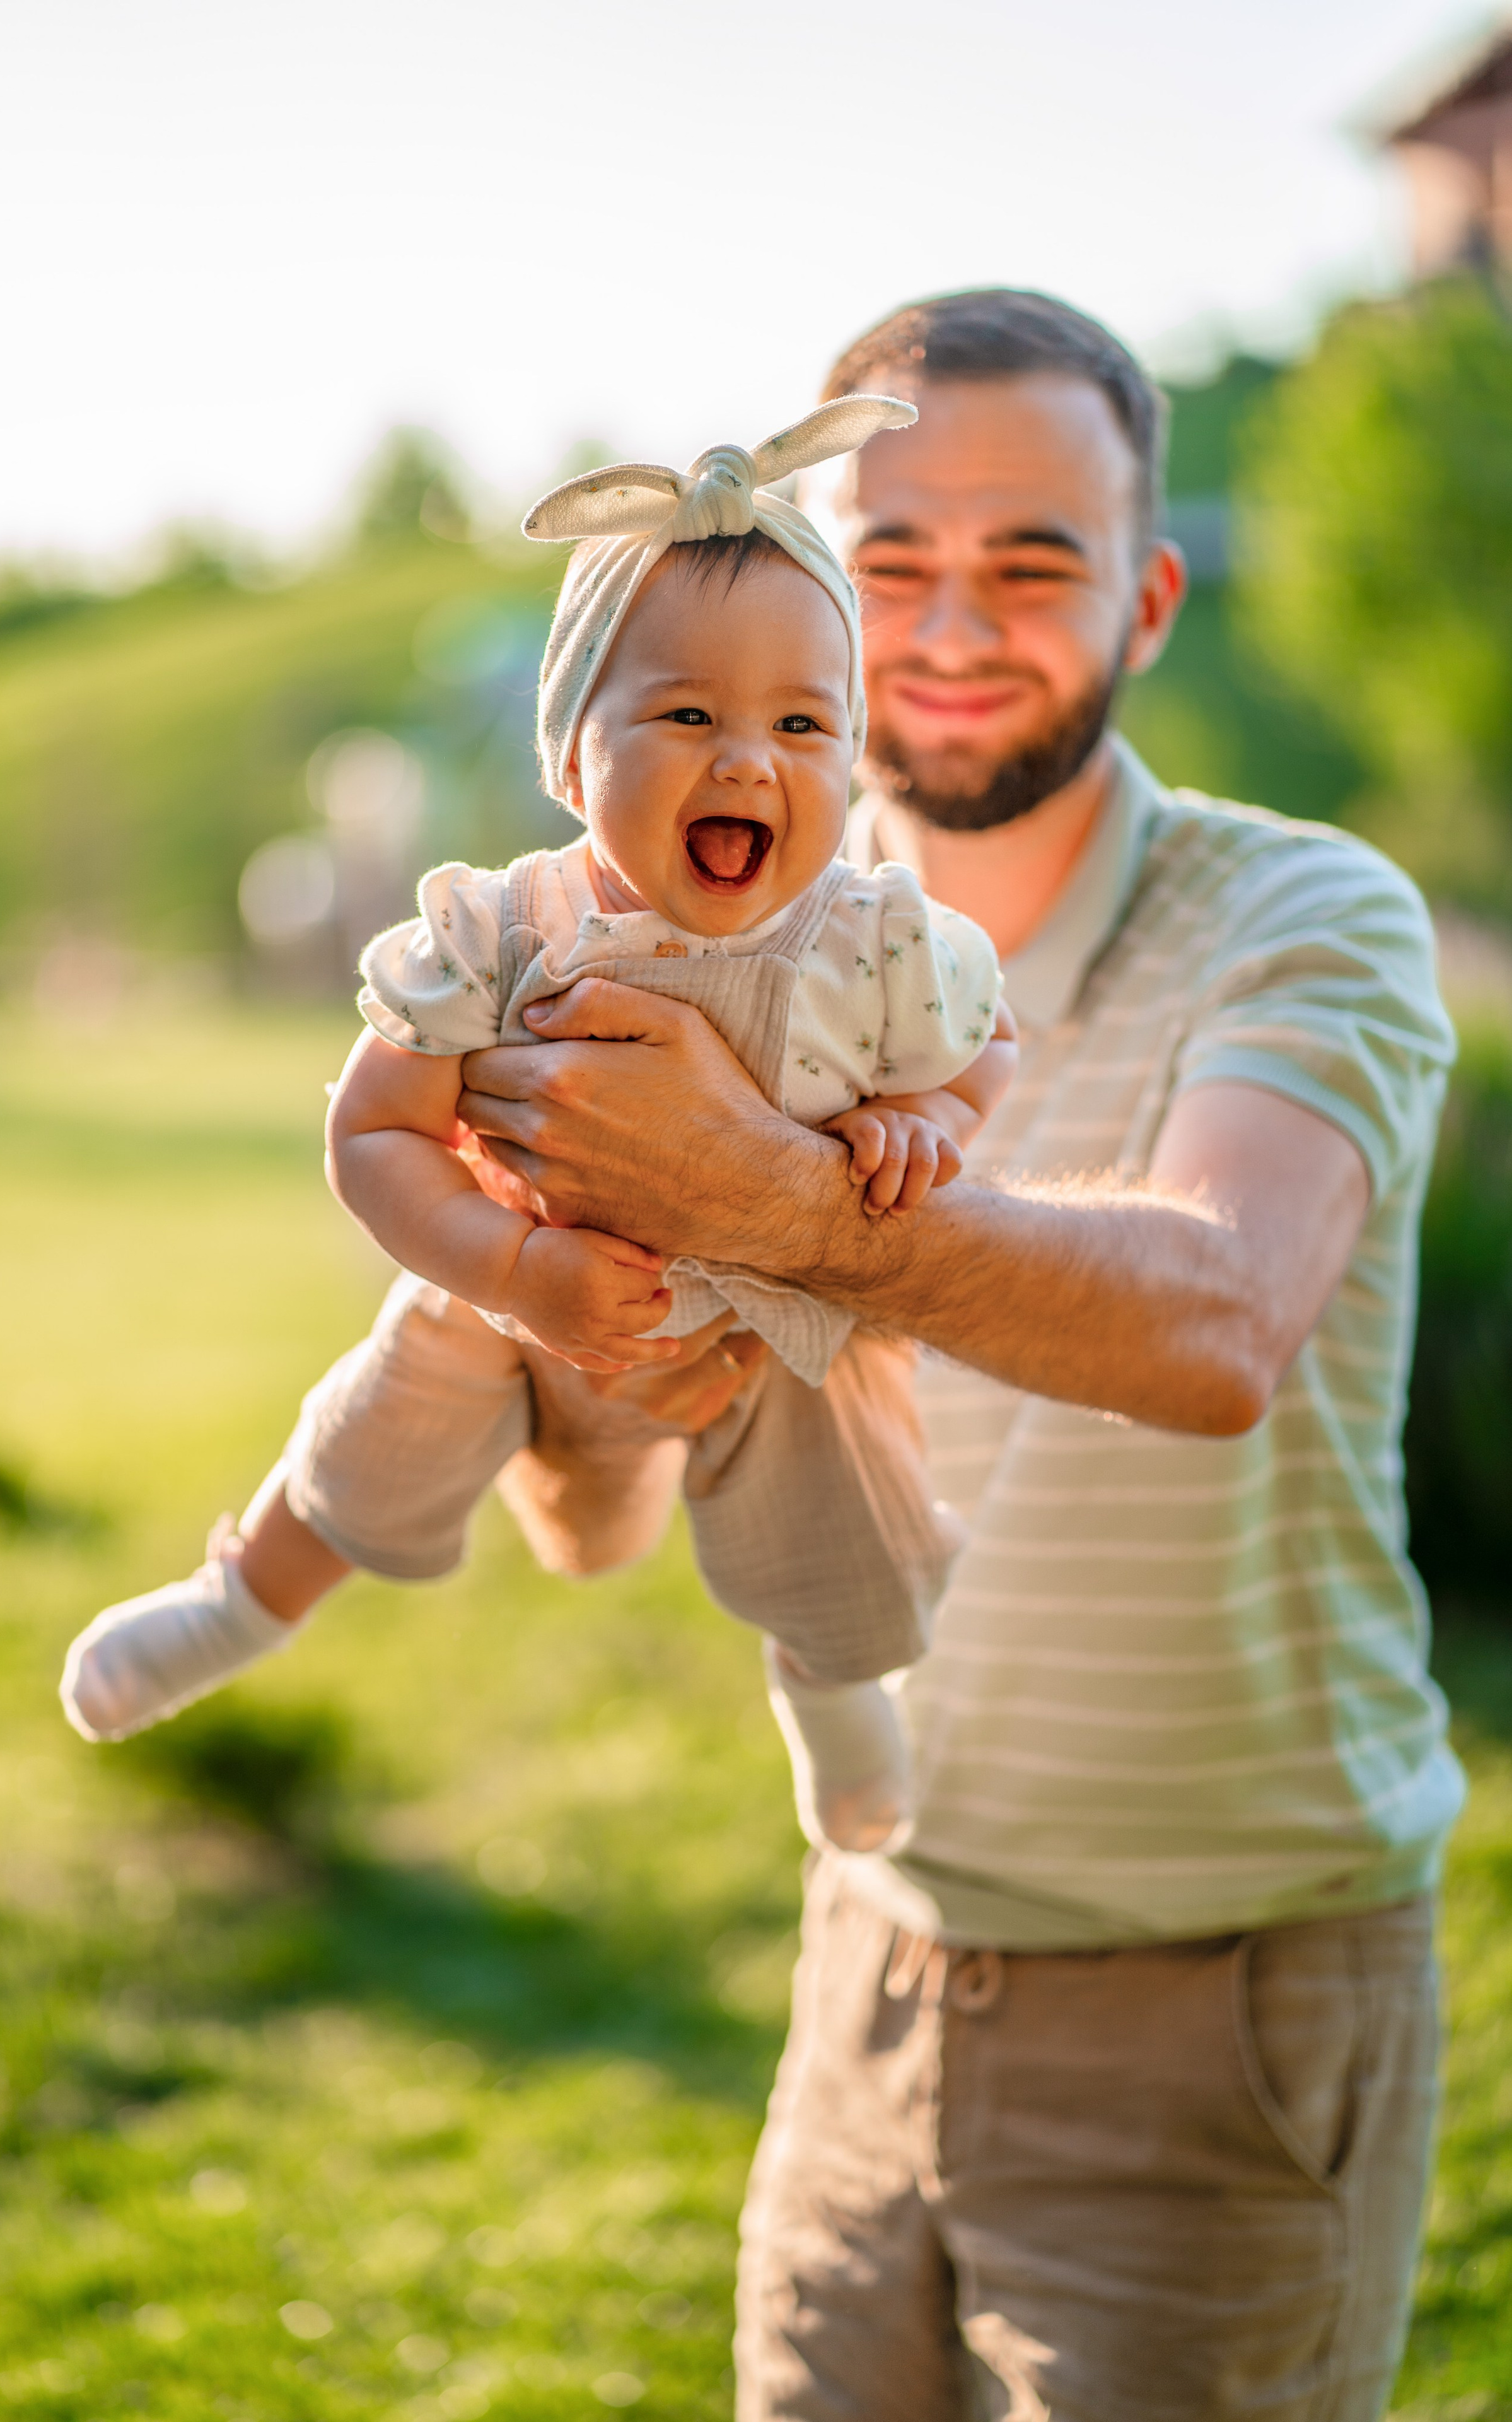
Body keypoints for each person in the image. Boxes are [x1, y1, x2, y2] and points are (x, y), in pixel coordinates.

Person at [441, 291, 1461, 2421]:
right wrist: (568, 1329)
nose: (950, 624)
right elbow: (594, 1526)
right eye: (891, 560)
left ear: (1149, 595)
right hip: (868, 1973)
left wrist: (765, 1202)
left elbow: (1216, 1325)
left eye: (1035, 561)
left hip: (1222, 2015)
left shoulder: (1309, 917)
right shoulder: (682, 950)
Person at [59, 394, 1017, 1857]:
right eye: (686, 713)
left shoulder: (877, 943)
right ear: (572, 758)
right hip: (520, 1291)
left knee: (842, 1495)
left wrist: (922, 1122)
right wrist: (500, 1271)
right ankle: (243, 1596)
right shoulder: (503, 932)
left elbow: (982, 1051)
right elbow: (375, 1132)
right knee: (399, 1397)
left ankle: (829, 1694)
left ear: (854, 763)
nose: (747, 760)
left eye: (801, 722)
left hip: (772, 1309)